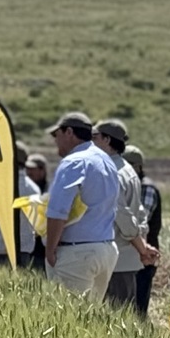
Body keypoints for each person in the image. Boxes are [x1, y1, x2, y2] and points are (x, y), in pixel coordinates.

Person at [41, 112, 120, 299]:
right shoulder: (106, 160)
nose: (55, 141)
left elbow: (58, 211)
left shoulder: (73, 162)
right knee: (89, 319)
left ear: (69, 132)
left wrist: (50, 249)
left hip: (77, 253)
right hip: (106, 248)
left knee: (66, 320)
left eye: (56, 135)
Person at [96, 121, 157, 310]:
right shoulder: (127, 170)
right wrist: (142, 245)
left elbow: (123, 216)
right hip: (125, 260)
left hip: (114, 260)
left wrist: (140, 247)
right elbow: (139, 214)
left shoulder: (109, 172)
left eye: (95, 137)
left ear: (107, 140)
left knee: (112, 322)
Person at [125, 144, 164, 317]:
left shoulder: (146, 188)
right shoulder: (135, 186)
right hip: (133, 254)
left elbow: (139, 223)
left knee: (137, 310)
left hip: (142, 256)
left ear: (138, 167)